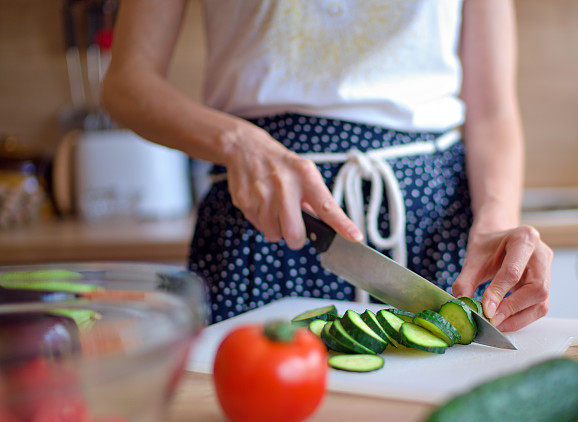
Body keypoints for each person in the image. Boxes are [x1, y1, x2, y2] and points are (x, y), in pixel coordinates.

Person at [102, 0, 552, 331]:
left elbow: (492, 112)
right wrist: (237, 142)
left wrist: (496, 221)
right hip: (267, 215)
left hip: (431, 219)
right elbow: (126, 84)